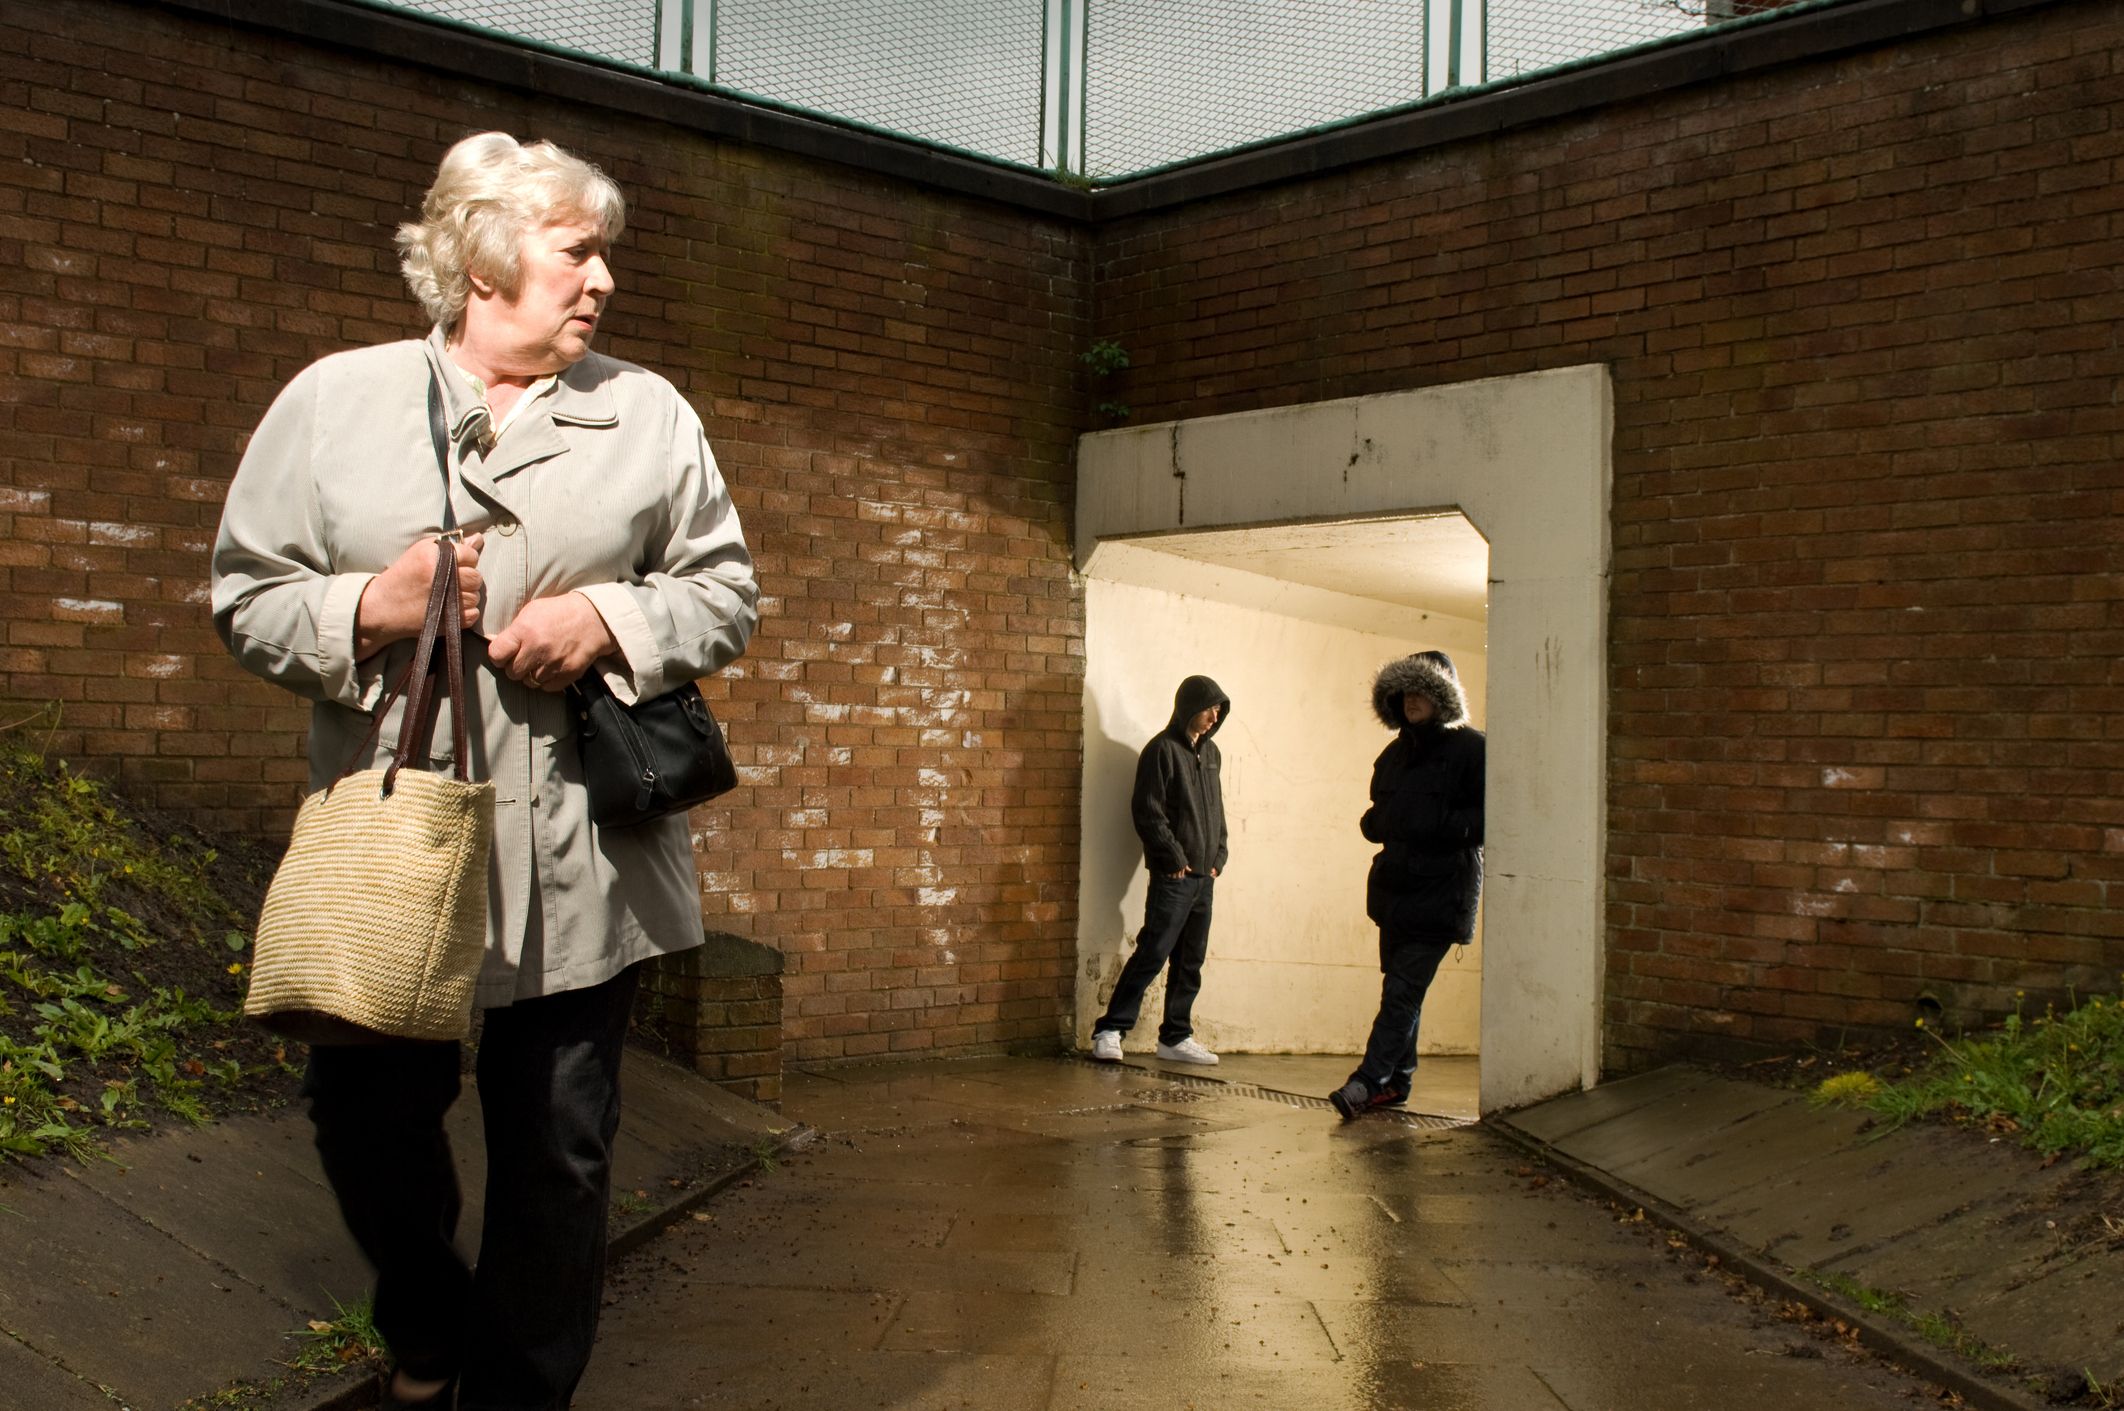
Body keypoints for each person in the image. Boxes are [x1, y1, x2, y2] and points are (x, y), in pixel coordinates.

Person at [210, 132, 758, 1411]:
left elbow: (725, 592)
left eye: (603, 254)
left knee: (560, 1161)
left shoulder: (647, 412)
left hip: (582, 866)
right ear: (483, 259)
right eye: (578, 251)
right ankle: (429, 1324)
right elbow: (244, 598)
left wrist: (613, 623)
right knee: (365, 1133)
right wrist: (373, 605)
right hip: (394, 854)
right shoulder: (330, 403)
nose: (603, 279)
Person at [1330, 650, 1484, 1120]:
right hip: (1395, 891)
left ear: (1443, 697)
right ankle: (1397, 1082)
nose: (1412, 700)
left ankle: (1366, 1081)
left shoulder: (1472, 750)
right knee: (1400, 990)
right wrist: (1376, 822)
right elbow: (1379, 816)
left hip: (1442, 892)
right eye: (1405, 691)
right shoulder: (1392, 756)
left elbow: (1488, 817)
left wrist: (1433, 823)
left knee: (1402, 991)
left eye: (1423, 690)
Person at [1089, 675, 1231, 1066]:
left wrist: (1219, 856)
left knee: (1191, 960)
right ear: (1188, 706)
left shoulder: (1213, 753)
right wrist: (1172, 858)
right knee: (1153, 952)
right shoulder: (1161, 750)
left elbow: (1217, 809)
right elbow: (1148, 811)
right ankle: (1110, 1029)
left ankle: (1175, 1036)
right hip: (1176, 876)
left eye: (1219, 709)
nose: (1214, 716)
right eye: (1208, 707)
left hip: (1205, 878)